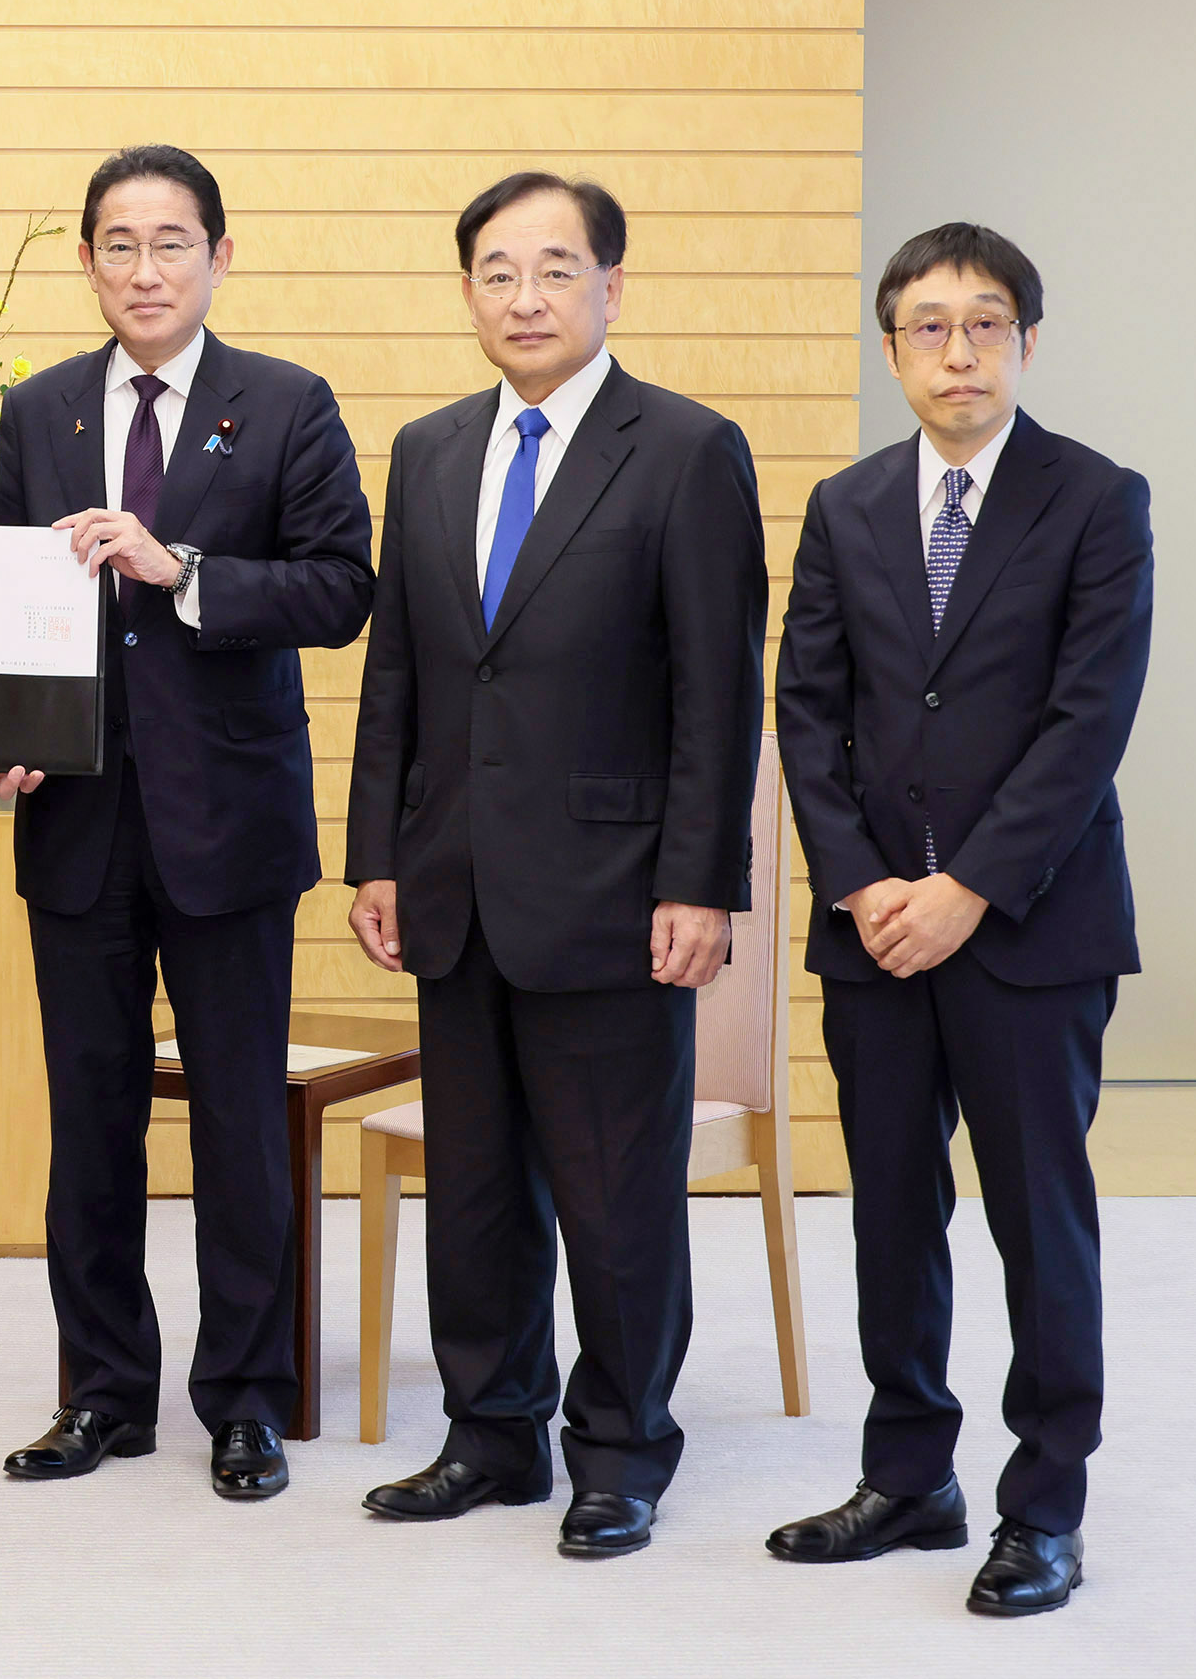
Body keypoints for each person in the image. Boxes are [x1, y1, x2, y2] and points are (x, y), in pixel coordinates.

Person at [344, 172, 766, 1557]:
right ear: (467, 290)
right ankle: (491, 1434)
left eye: (555, 269)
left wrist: (701, 883)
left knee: (613, 1194)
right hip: (454, 886)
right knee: (474, 1190)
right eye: (497, 272)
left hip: (617, 894)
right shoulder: (429, 449)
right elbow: (401, 672)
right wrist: (377, 854)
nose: (525, 297)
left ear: (611, 287)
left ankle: (624, 1450)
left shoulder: (686, 450)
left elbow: (717, 693)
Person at [0, 145, 374, 1502]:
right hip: (78, 822)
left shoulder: (287, 404)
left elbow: (340, 588)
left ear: (218, 255)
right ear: (87, 260)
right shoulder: (39, 411)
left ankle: (247, 1399)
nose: (145, 270)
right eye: (119, 245)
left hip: (230, 823)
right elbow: (5, 600)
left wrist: (182, 568)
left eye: (171, 243)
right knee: (88, 1121)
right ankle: (101, 1393)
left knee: (237, 1124)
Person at [768, 224, 1150, 1616]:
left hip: (1031, 930)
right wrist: (867, 885)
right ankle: (909, 1475)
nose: (958, 351)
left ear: (1027, 343)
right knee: (891, 1209)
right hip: (875, 931)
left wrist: (968, 889)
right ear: (893, 351)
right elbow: (807, 709)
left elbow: (1087, 722)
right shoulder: (847, 504)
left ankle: (1045, 1507)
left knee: (1039, 1222)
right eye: (928, 326)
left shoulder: (1096, 499)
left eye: (986, 324)